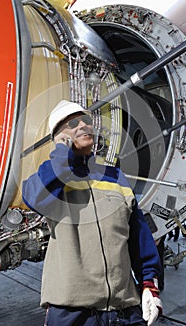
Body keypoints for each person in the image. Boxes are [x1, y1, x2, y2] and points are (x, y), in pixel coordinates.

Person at [22, 100, 163, 326]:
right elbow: (34, 197)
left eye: (86, 121)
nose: (83, 126)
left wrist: (150, 285)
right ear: (59, 137)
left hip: (124, 309)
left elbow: (138, 236)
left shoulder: (114, 176)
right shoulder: (53, 179)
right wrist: (62, 154)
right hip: (71, 312)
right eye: (73, 123)